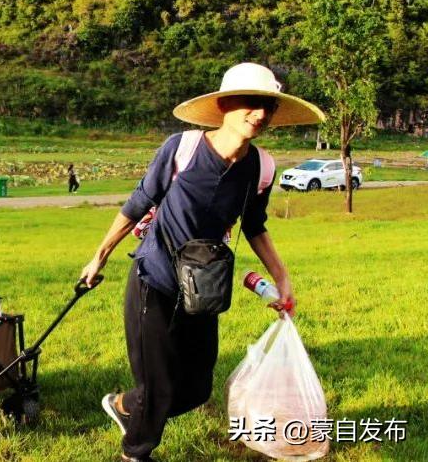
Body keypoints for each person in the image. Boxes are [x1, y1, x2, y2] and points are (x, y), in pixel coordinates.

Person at [78, 63, 325, 462]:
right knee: (158, 386)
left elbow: (255, 225)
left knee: (196, 389)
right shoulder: (183, 149)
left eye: (268, 106)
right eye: (250, 102)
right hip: (155, 280)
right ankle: (135, 453)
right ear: (224, 105)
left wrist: (282, 277)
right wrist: (99, 257)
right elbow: (138, 203)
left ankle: (124, 405)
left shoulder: (262, 167)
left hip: (204, 289)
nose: (260, 114)